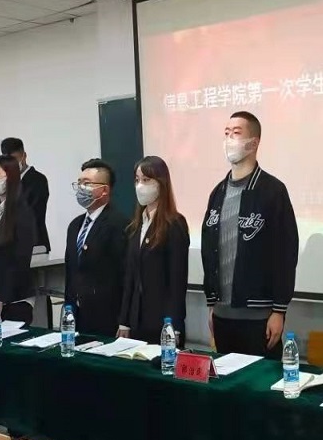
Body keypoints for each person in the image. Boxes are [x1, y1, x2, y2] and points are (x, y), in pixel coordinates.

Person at [202, 111, 298, 360]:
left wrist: (279, 311)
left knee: (261, 380)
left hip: (259, 317)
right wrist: (211, 305)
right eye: (226, 133)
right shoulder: (218, 193)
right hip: (222, 316)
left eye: (236, 133)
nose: (229, 139)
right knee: (226, 380)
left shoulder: (272, 191)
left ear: (253, 143)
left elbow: (286, 254)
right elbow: (208, 250)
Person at [118, 156, 189, 346]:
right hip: (136, 320)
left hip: (163, 323)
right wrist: (124, 320)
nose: (140, 185)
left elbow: (177, 280)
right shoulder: (136, 226)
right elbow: (130, 277)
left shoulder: (174, 224)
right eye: (137, 180)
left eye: (146, 180)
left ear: (161, 183)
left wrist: (175, 326)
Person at [64, 159, 128, 337]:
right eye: (79, 183)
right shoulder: (75, 226)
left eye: (87, 183)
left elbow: (125, 276)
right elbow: (71, 271)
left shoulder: (119, 224)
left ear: (104, 190)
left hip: (106, 318)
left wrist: (124, 320)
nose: (81, 188)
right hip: (76, 317)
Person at [0, 155, 37, 325]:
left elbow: (20, 261)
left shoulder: (23, 213)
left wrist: (0, 300)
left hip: (16, 299)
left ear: (10, 176)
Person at [1, 138, 50, 252]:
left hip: (34, 244)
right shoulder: (4, 182)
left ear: (24, 156)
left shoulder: (38, 180)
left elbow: (33, 213)